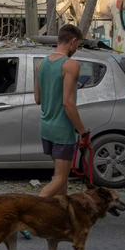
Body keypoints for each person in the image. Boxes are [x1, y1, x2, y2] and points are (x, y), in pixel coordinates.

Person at [34, 24, 88, 199]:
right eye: (77, 45)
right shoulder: (71, 65)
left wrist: (70, 85)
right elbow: (67, 103)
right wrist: (82, 131)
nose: (76, 50)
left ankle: (63, 212)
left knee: (60, 176)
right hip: (62, 130)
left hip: (46, 127)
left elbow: (38, 99)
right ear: (72, 41)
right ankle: (31, 212)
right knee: (60, 178)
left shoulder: (40, 64)